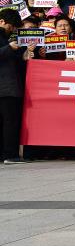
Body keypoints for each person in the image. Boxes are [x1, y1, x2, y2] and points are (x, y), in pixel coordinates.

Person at [0, 9, 24, 164]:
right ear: (2, 22)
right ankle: (10, 154)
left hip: (8, 87)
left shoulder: (6, 38)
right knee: (10, 121)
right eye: (11, 26)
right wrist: (9, 48)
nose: (12, 30)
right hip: (6, 88)